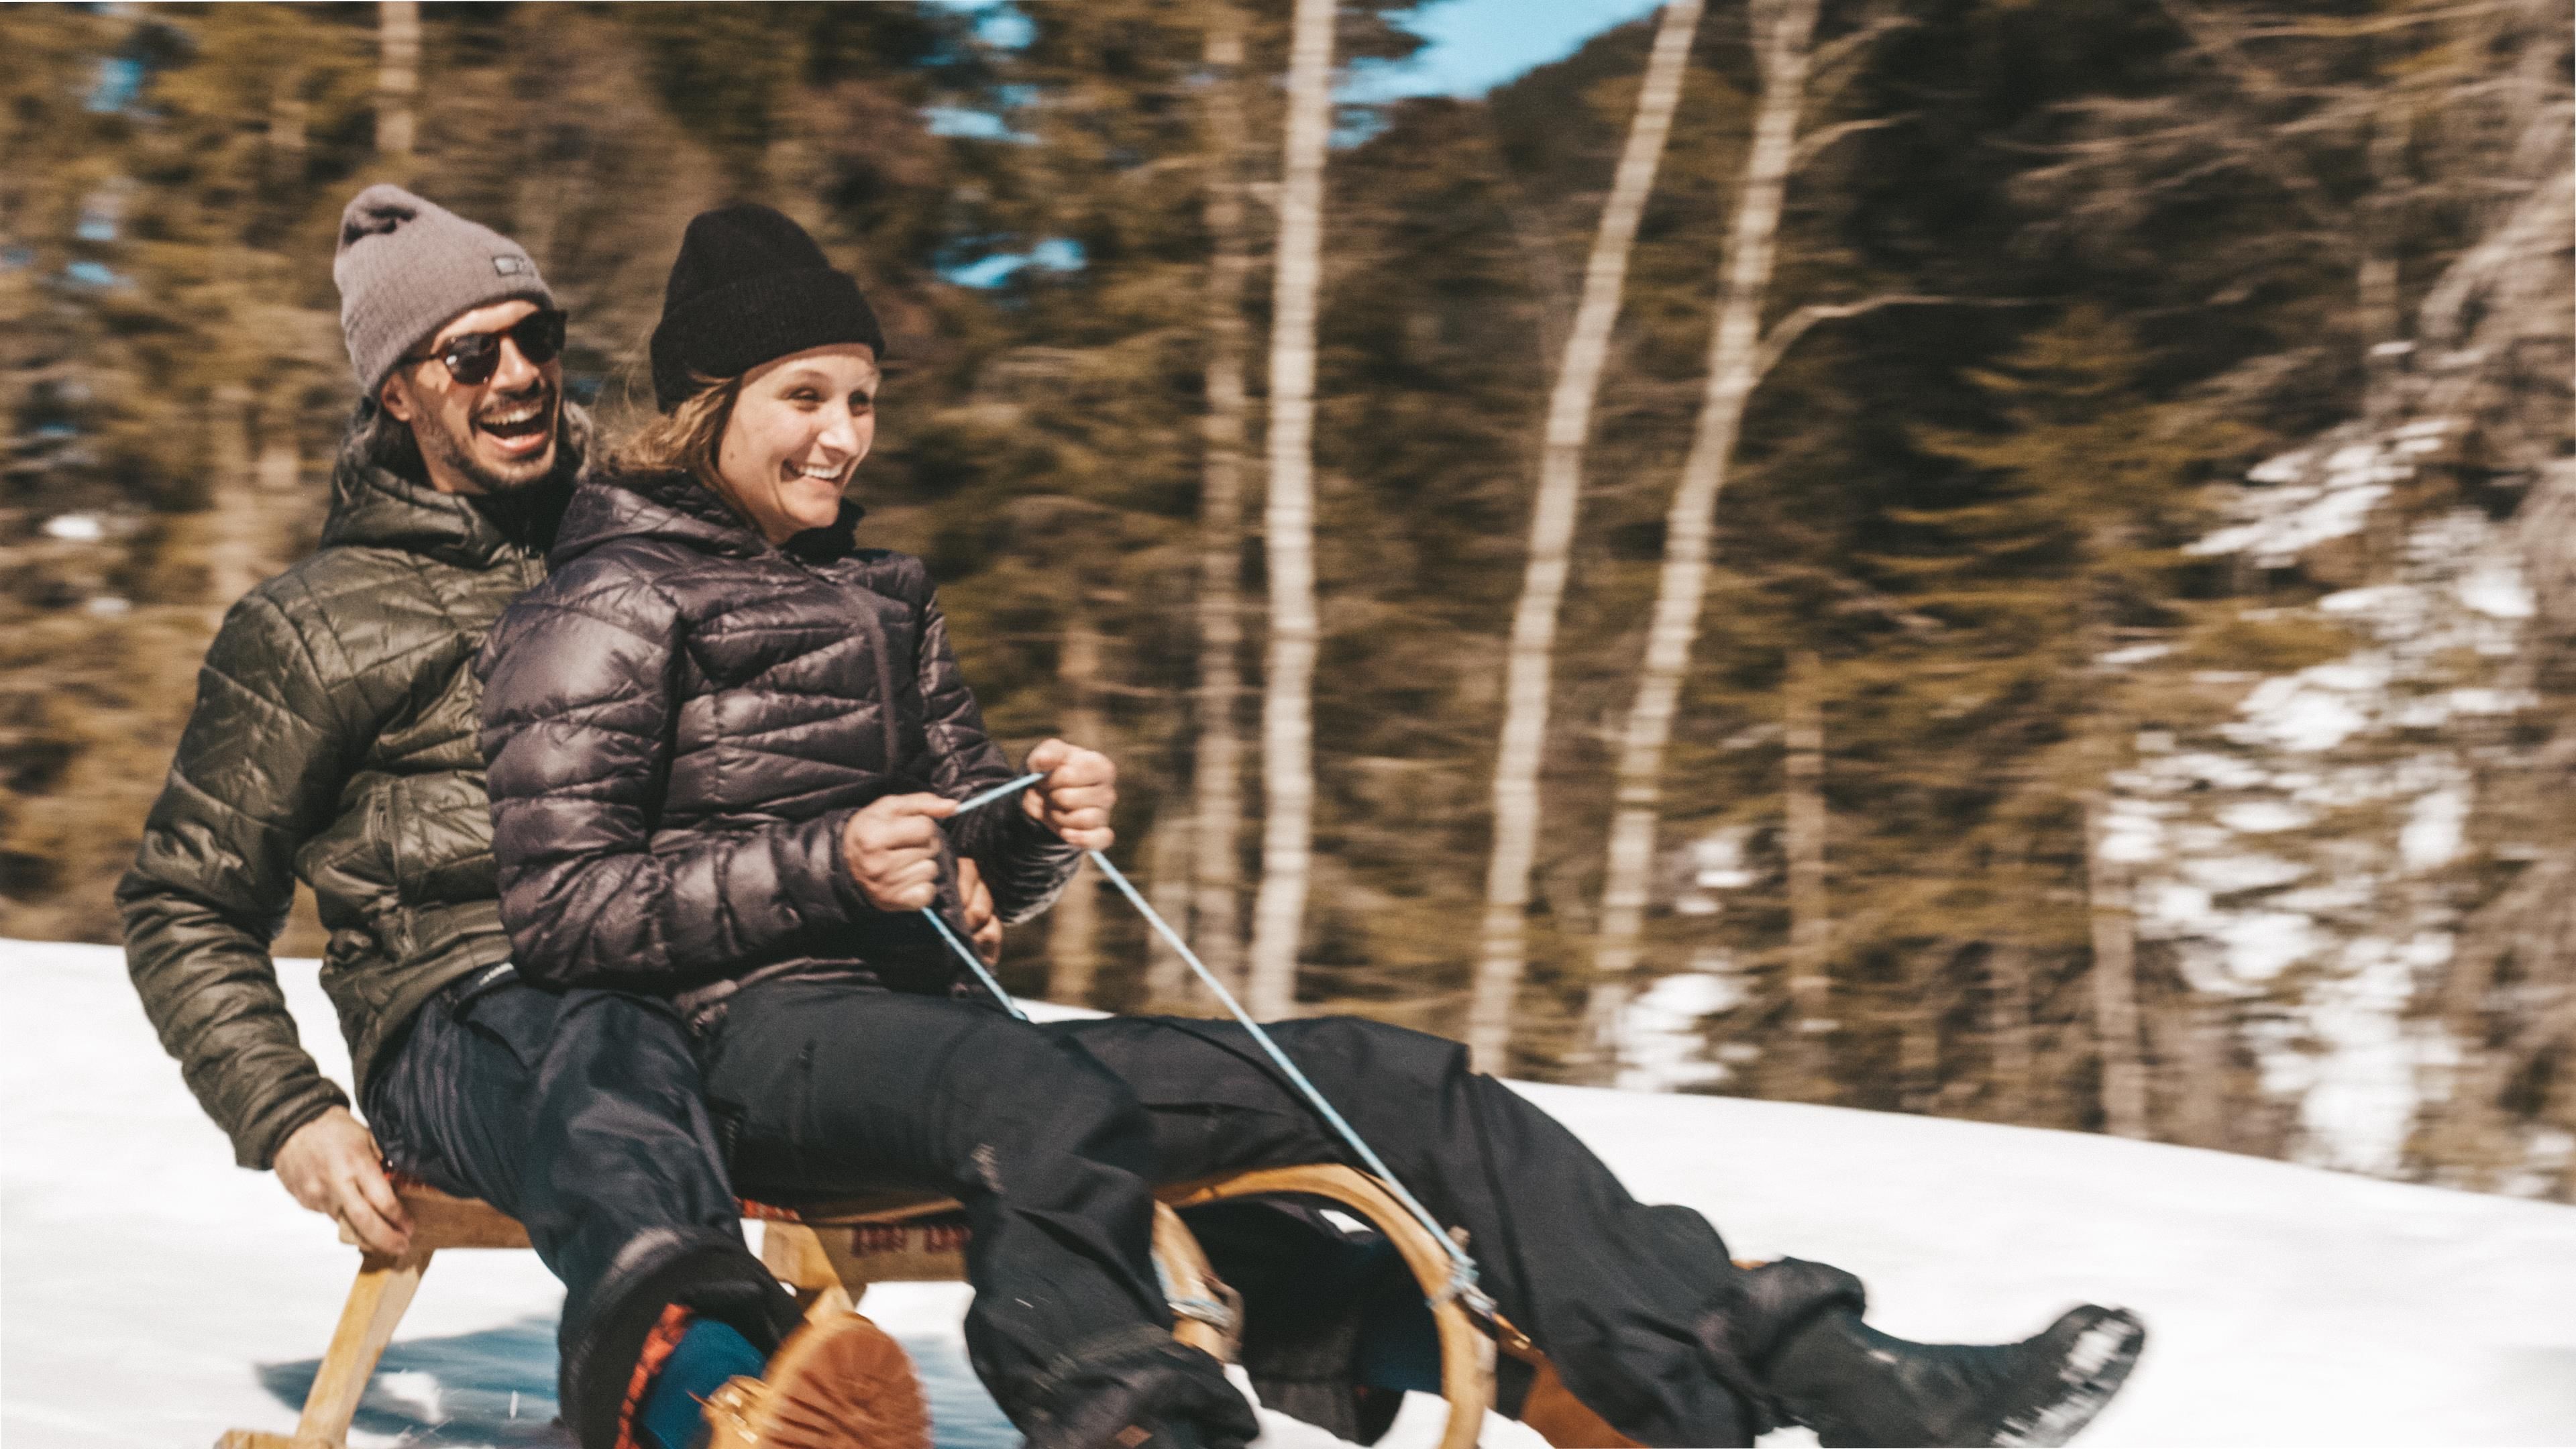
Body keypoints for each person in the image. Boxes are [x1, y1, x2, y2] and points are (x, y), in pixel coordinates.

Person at [116, 185, 2144, 1449]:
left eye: (539, 336)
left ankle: (1719, 1373)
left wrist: (1017, 839)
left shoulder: (705, 549)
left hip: (765, 988)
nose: (516, 374)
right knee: (601, 1045)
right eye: (468, 353)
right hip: (490, 1003)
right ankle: (716, 1395)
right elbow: (196, 895)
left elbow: (889, 848)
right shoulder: (328, 623)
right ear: (397, 393)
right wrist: (290, 1115)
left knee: (1361, 1083)